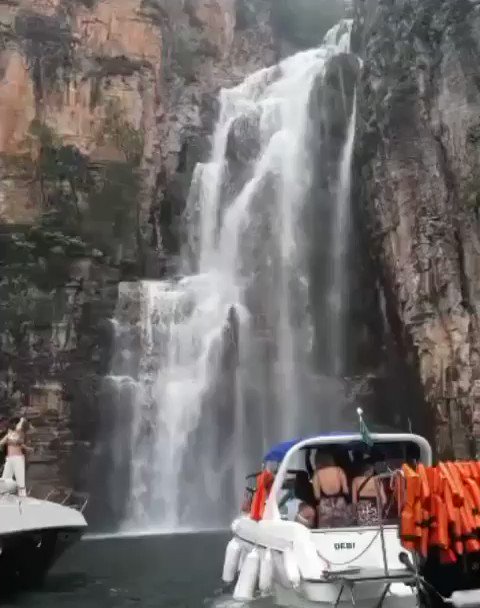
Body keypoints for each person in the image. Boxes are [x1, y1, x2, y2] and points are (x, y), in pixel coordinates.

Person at [312, 450, 351, 527]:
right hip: (340, 501)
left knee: (326, 530)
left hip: (325, 503)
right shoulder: (339, 470)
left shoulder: (317, 474)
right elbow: (346, 490)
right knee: (343, 528)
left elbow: (317, 496)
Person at [0, 416, 31, 497]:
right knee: (5, 479)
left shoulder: (20, 433)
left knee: (19, 480)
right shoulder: (9, 433)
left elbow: (21, 445)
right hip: (9, 459)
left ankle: (22, 497)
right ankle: (5, 496)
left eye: (11, 423)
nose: (9, 425)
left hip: (17, 458)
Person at [352, 461, 387, 526]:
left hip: (361, 511)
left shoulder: (356, 480)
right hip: (374, 509)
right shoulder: (378, 481)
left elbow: (354, 501)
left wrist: (354, 516)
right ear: (371, 471)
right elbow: (384, 500)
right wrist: (380, 511)